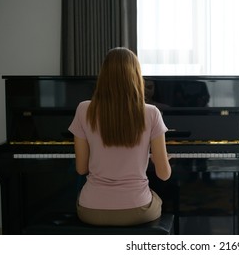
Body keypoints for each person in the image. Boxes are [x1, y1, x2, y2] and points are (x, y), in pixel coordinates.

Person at [68, 47, 171, 226]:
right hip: (137, 209)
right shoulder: (151, 113)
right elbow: (163, 175)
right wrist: (158, 160)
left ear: (104, 75)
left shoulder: (84, 109)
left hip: (91, 210)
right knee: (159, 201)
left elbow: (81, 168)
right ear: (136, 75)